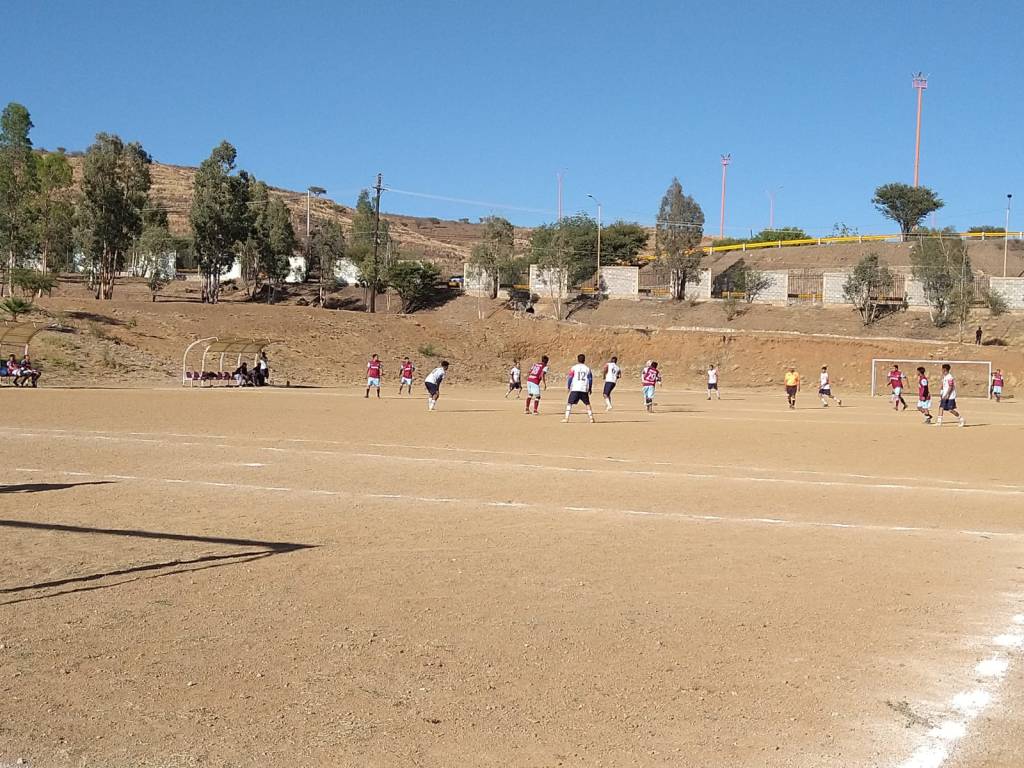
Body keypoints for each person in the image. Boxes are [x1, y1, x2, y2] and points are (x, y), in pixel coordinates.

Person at [563, 353, 595, 423]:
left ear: (577, 360)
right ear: (584, 360)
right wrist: (590, 388)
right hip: (584, 388)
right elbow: (590, 379)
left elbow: (570, 378)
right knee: (587, 403)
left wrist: (568, 386)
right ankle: (591, 418)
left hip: (575, 388)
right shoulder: (587, 368)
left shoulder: (574, 368)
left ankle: (566, 418)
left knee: (569, 403)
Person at [936, 363, 965, 427]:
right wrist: (941, 392)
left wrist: (947, 395)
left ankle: (961, 419)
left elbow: (950, 386)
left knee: (950, 409)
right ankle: (939, 422)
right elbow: (943, 385)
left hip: (950, 396)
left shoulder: (950, 377)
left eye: (942, 369)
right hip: (944, 395)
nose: (941, 370)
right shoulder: (945, 377)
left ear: (945, 369)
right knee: (941, 407)